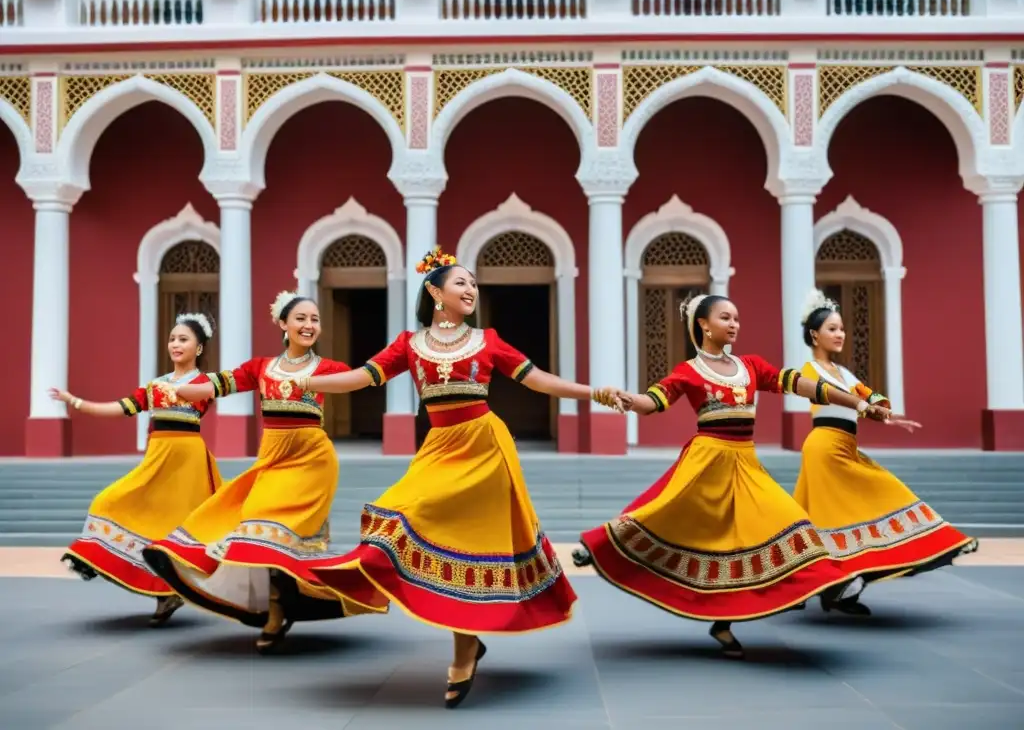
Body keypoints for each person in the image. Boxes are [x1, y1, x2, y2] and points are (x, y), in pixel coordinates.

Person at [300, 246, 623, 709]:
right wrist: (309, 382)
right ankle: (428, 616)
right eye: (461, 283)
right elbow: (360, 378)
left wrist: (595, 392)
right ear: (436, 291)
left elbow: (539, 380)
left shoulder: (488, 340)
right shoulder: (410, 344)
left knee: (467, 545)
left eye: (473, 284)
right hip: (440, 448)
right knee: (401, 516)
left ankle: (464, 646)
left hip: (486, 449)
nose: (471, 289)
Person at [574, 293, 889, 659]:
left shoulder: (751, 366)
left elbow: (803, 385)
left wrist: (860, 403)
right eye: (726, 317)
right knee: (663, 511)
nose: (735, 324)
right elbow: (652, 403)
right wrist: (626, 399)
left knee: (793, 525)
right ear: (704, 325)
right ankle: (598, 546)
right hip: (707, 461)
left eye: (737, 318)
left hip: (746, 463)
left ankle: (753, 610)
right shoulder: (688, 371)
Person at [143, 292, 381, 654]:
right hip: (272, 460)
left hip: (312, 462)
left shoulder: (328, 367)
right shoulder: (261, 367)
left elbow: (356, 380)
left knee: (277, 539)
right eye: (301, 318)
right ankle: (277, 605)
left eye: (315, 319)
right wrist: (176, 390)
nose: (309, 325)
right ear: (283, 324)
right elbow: (219, 385)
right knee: (255, 529)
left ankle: (275, 611)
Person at [792, 290, 977, 615]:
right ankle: (837, 585)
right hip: (824, 448)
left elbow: (869, 396)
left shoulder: (844, 372)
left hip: (846, 447)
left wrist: (886, 414)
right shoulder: (811, 370)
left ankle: (837, 586)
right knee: (834, 516)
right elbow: (834, 397)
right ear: (814, 334)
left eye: (842, 329)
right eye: (832, 328)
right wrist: (862, 403)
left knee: (871, 498)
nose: (840, 334)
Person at [56, 313, 222, 627]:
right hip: (156, 462)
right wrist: (75, 402)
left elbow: (201, 393)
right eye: (172, 338)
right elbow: (119, 408)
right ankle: (165, 593)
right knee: (107, 502)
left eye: (183, 339)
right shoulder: (156, 385)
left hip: (187, 466)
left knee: (175, 530)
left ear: (199, 348)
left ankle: (168, 595)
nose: (175, 344)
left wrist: (159, 392)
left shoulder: (204, 383)